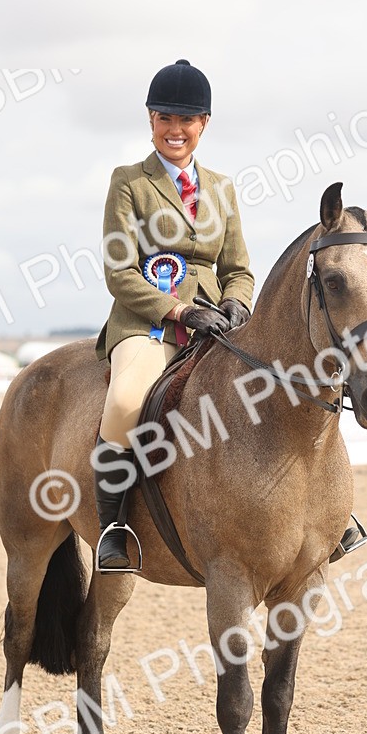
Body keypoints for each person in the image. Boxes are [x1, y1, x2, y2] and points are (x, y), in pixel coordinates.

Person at [92, 58, 254, 571]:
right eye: (164, 118)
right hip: (148, 321)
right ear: (150, 120)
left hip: (216, 324)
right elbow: (120, 271)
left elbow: (239, 268)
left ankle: (321, 516)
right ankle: (113, 529)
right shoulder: (128, 182)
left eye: (185, 121)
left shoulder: (223, 188)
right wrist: (180, 310)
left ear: (203, 124)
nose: (174, 130)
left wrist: (236, 302)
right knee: (124, 401)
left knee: (283, 384)